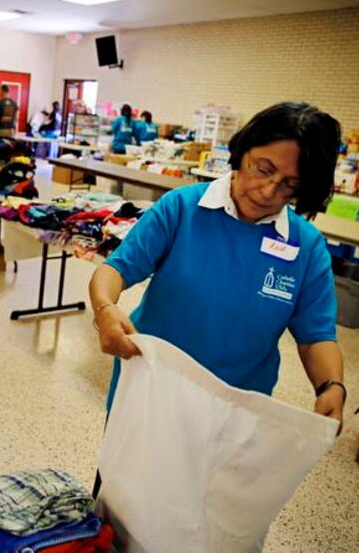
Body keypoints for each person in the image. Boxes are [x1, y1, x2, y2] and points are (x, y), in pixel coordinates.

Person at [90, 103, 345, 457]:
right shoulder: (181, 209)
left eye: (289, 185)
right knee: (119, 500)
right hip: (150, 392)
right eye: (263, 169)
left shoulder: (306, 246)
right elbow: (116, 268)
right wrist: (105, 307)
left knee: (201, 507)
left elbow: (316, 336)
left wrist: (331, 386)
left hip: (235, 411)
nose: (269, 191)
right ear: (243, 151)